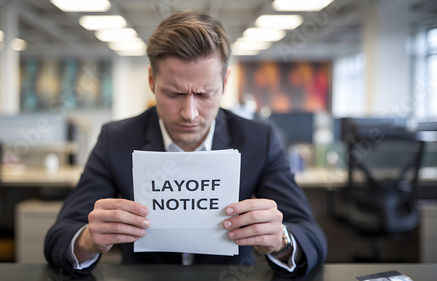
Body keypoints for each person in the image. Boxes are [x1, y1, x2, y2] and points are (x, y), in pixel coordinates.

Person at [44, 10, 327, 278]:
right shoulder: (116, 139)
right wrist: (88, 239)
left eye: (205, 94)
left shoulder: (258, 140)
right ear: (152, 81)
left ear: (225, 83)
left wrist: (281, 240)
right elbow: (59, 237)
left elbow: (311, 236)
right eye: (174, 93)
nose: (189, 113)